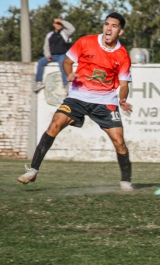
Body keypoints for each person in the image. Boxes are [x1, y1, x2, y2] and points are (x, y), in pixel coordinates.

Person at [18, 12, 134, 191]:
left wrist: (123, 98)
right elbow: (66, 61)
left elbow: (124, 83)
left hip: (105, 100)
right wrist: (69, 74)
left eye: (114, 26)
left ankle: (126, 181)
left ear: (120, 31)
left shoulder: (122, 55)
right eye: (106, 24)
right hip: (78, 97)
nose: (108, 28)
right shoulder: (86, 41)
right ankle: (33, 170)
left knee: (119, 142)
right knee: (54, 125)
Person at [34, 18, 75, 92]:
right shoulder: (49, 35)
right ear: (54, 25)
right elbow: (46, 46)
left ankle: (66, 85)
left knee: (63, 65)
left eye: (60, 24)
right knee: (40, 62)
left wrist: (61, 21)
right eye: (57, 24)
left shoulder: (65, 33)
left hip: (62, 55)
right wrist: (47, 55)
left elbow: (72, 29)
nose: (58, 25)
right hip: (52, 55)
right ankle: (39, 82)